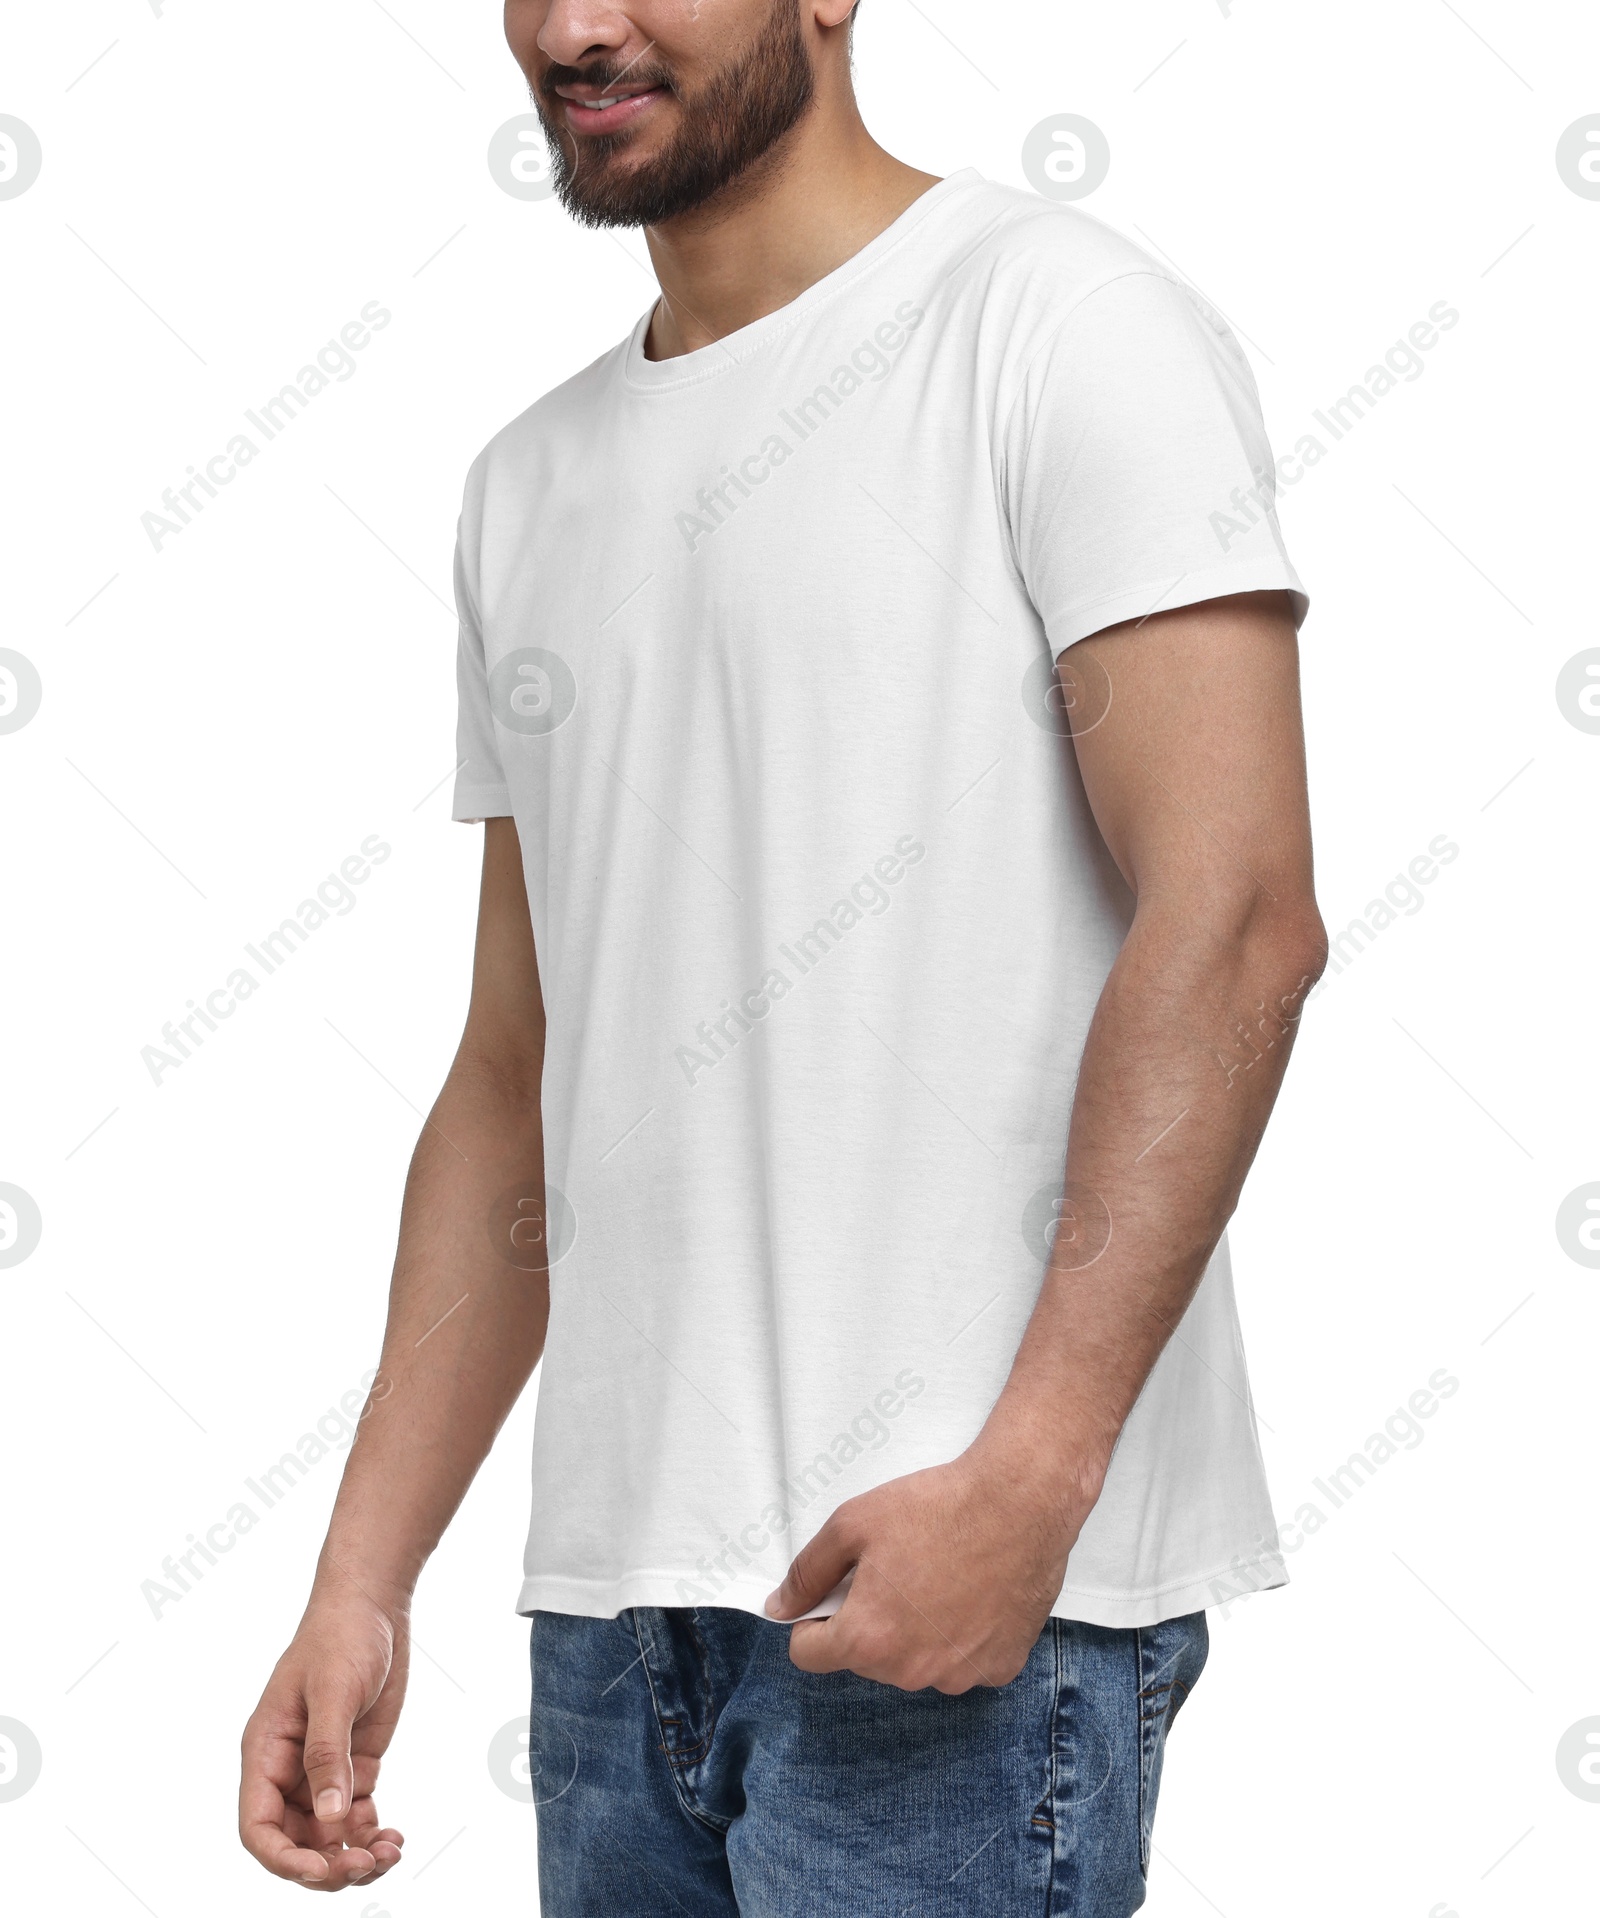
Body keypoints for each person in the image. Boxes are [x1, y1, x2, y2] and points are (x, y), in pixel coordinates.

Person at [238, 2, 1326, 1911]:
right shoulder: (528, 482)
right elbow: (517, 1078)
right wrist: (361, 1576)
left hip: (960, 1602)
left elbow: (1236, 919)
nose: (580, 28)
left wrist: (1036, 1481)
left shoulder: (1058, 325)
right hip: (612, 1617)